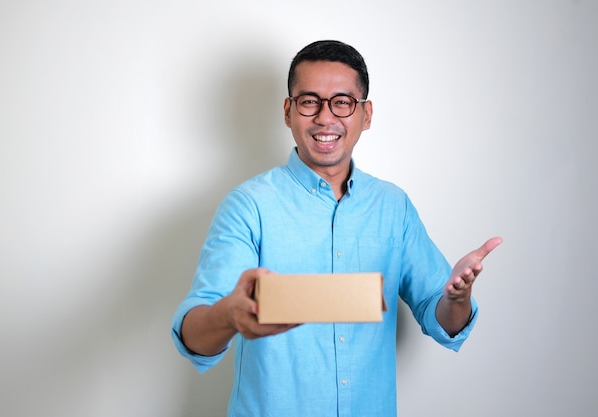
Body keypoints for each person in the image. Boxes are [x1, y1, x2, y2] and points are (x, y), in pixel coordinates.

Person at [172, 40, 502, 417]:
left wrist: (456, 299)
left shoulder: (393, 206)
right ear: (288, 111)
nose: (325, 118)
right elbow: (193, 333)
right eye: (309, 101)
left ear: (366, 114)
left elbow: (441, 316)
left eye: (342, 102)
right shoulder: (249, 205)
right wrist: (229, 315)